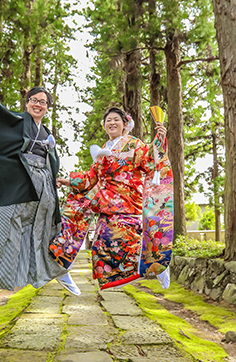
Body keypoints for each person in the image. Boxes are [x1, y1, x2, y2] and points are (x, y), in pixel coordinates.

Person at [0, 67, 80, 316]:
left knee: (48, 236)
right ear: (27, 103)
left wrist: (56, 180)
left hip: (44, 193)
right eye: (34, 100)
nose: (38, 104)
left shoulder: (48, 135)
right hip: (19, 186)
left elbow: (52, 162)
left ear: (47, 107)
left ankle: (62, 273)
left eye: (43, 102)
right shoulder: (15, 122)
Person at [49, 106, 174, 290]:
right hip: (105, 203)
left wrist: (159, 142)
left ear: (125, 124)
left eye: (116, 119)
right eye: (108, 120)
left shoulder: (134, 144)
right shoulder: (103, 149)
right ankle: (61, 264)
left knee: (128, 245)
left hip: (126, 204)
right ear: (104, 125)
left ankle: (158, 263)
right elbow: (91, 177)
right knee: (98, 245)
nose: (112, 123)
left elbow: (150, 162)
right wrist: (67, 181)